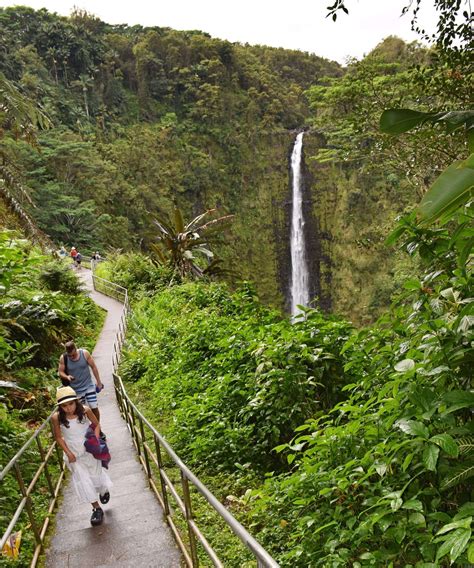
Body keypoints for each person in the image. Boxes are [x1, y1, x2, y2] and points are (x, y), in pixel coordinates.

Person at [52, 386, 112, 526]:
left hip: (89, 450)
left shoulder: (85, 411)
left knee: (96, 476)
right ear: (60, 406)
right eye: (64, 406)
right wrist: (68, 452)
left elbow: (96, 425)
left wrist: (95, 441)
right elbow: (59, 437)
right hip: (74, 454)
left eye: (71, 404)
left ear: (76, 402)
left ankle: (103, 490)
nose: (68, 408)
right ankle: (96, 509)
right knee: (83, 480)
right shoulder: (57, 418)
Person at [58, 341, 104, 423]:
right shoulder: (63, 358)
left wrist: (99, 382)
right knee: (82, 410)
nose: (72, 357)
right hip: (75, 389)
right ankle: (89, 426)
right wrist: (67, 376)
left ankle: (98, 427)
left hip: (88, 385)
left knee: (94, 407)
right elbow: (60, 372)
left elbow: (93, 367)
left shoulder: (85, 354)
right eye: (70, 356)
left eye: (73, 354)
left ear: (76, 349)